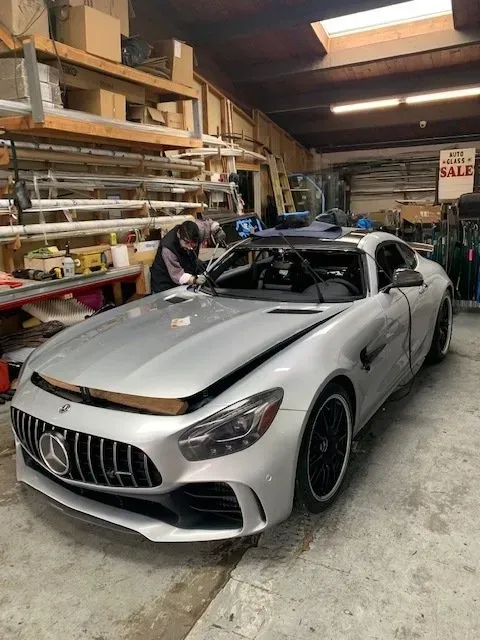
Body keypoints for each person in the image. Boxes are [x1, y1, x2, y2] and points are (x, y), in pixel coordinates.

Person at [150, 219, 226, 293]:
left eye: (193, 244)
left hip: (184, 269)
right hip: (165, 283)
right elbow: (178, 275)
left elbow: (209, 224)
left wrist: (217, 230)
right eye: (186, 242)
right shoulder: (168, 249)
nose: (190, 247)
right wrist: (194, 279)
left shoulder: (197, 231)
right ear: (179, 235)